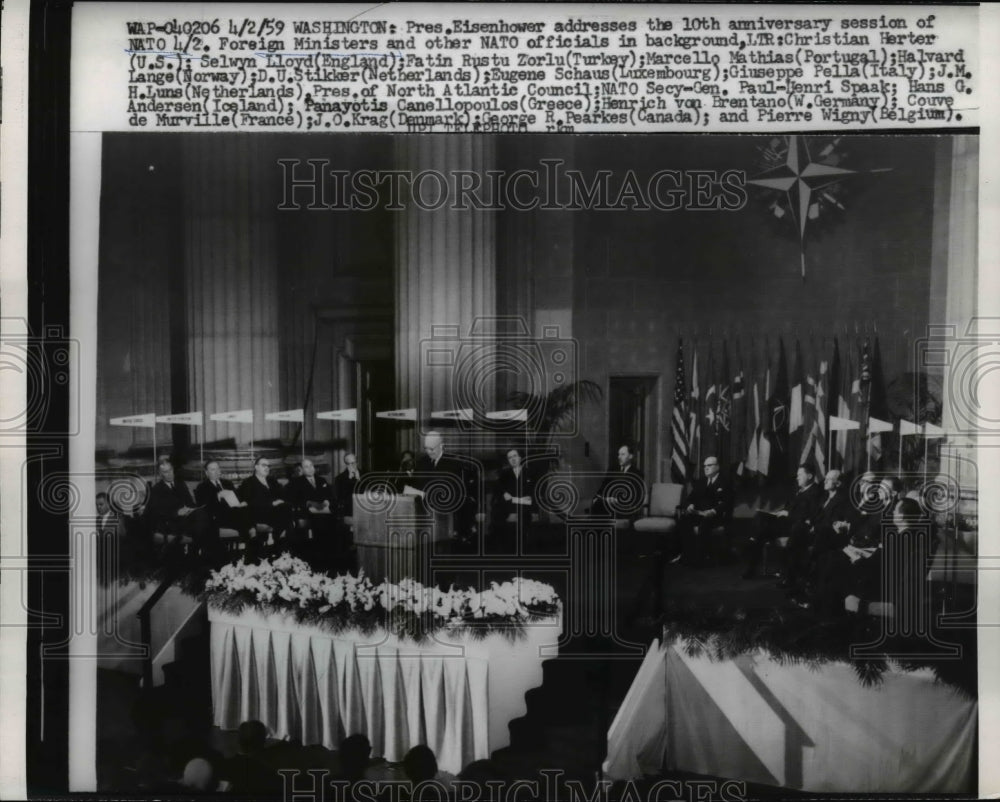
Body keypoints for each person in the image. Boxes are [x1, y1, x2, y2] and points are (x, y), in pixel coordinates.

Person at [743, 464, 821, 579]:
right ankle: (751, 564)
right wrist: (780, 512)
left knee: (761, 531)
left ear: (809, 476)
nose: (797, 478)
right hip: (784, 524)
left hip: (796, 528)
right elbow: (788, 507)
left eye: (800, 475)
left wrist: (788, 514)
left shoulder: (816, 492)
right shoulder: (798, 490)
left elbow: (810, 514)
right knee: (760, 517)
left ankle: (752, 542)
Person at [780, 468, 850, 592]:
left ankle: (800, 578)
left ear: (838, 483)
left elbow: (833, 522)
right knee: (798, 530)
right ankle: (794, 577)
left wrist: (814, 527)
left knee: (799, 540)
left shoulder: (842, 500)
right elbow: (815, 515)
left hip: (828, 535)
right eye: (826, 478)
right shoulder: (824, 498)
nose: (825, 482)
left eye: (829, 480)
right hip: (815, 531)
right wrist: (810, 523)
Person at [413, 431, 478, 542]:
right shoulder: (422, 462)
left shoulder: (454, 464)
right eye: (426, 448)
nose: (429, 452)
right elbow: (417, 483)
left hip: (446, 513)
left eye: (432, 448)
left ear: (442, 446)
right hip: (423, 512)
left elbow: (457, 490)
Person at [146, 456, 214, 554]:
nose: (169, 474)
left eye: (170, 470)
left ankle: (196, 555)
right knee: (204, 525)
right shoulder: (157, 490)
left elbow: (191, 503)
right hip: (171, 523)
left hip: (188, 519)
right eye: (165, 472)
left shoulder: (180, 484)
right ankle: (197, 555)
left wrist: (190, 509)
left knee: (204, 516)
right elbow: (156, 513)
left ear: (173, 469)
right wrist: (177, 513)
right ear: (160, 474)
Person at [675, 455, 733, 567]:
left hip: (717, 516)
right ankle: (686, 555)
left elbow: (728, 503)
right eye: (704, 466)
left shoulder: (725, 482)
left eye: (709, 465)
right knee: (684, 520)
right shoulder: (701, 481)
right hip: (700, 514)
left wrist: (713, 511)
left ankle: (700, 558)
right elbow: (690, 498)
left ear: (717, 467)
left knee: (705, 524)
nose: (706, 468)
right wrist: (690, 505)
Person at [238, 456, 294, 541]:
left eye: (268, 466)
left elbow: (283, 494)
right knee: (287, 518)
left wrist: (281, 500)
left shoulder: (272, 481)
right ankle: (280, 546)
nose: (267, 468)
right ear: (256, 467)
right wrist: (271, 503)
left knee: (288, 508)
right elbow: (250, 502)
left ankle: (281, 545)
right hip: (259, 513)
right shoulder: (249, 482)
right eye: (264, 465)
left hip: (276, 512)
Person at [195, 460, 253, 540]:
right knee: (246, 521)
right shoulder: (202, 487)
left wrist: (242, 502)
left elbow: (238, 497)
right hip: (217, 517)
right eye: (213, 470)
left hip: (234, 513)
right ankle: (251, 536)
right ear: (206, 473)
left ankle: (251, 536)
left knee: (248, 511)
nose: (216, 472)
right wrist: (218, 496)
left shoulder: (227, 483)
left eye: (218, 469)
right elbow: (202, 506)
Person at [490, 448, 535, 546]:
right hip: (508, 515)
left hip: (524, 514)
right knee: (509, 543)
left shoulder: (530, 473)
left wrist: (513, 499)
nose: (513, 459)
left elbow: (529, 500)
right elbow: (500, 495)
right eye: (510, 457)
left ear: (520, 457)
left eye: (514, 456)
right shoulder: (504, 475)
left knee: (524, 543)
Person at [286, 459, 335, 540]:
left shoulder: (322, 480)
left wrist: (327, 500)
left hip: (323, 511)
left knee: (333, 521)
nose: (310, 468)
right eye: (306, 467)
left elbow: (330, 496)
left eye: (311, 465)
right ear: (302, 470)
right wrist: (308, 503)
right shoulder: (296, 483)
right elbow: (292, 500)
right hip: (306, 512)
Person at [592, 444, 644, 518]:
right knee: (597, 504)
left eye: (623, 454)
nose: (619, 457)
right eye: (618, 454)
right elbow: (603, 487)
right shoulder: (612, 470)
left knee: (600, 508)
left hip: (625, 508)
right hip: (608, 505)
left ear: (630, 456)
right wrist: (597, 497)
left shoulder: (637, 473)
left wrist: (618, 501)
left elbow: (637, 496)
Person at [333, 453, 362, 518]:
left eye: (354, 463)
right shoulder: (339, 478)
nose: (353, 466)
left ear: (357, 462)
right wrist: (349, 480)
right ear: (346, 465)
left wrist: (359, 480)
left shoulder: (365, 474)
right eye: (350, 464)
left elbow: (369, 491)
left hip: (365, 509)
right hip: (349, 511)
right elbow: (340, 498)